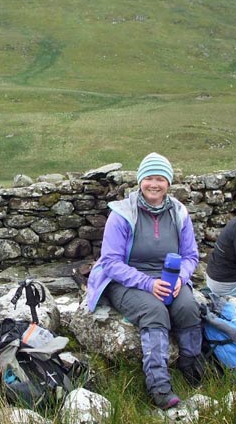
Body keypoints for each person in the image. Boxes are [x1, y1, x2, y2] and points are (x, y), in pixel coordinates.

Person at [86, 152, 203, 409]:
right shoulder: (122, 214)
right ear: (140, 181)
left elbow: (191, 255)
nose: (154, 184)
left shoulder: (179, 213)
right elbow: (111, 262)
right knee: (154, 310)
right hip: (126, 281)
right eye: (149, 177)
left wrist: (181, 278)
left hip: (170, 278)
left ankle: (190, 367)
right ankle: (159, 385)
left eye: (160, 179)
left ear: (168, 184)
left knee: (188, 308)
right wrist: (149, 285)